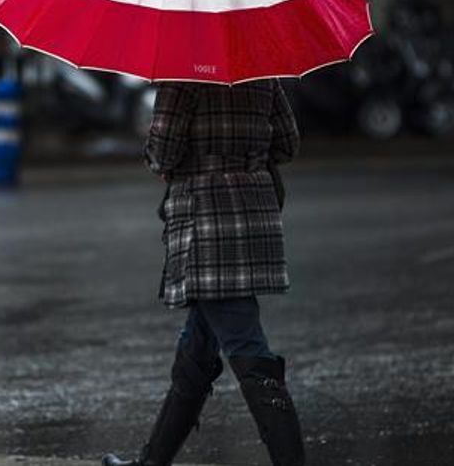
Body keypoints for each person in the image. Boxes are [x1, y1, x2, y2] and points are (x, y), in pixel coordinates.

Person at [102, 80, 306, 466]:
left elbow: (162, 153)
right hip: (253, 218)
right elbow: (287, 143)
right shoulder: (261, 73)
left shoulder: (183, 78)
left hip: (207, 225)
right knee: (197, 347)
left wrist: (165, 158)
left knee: (246, 344)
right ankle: (153, 461)